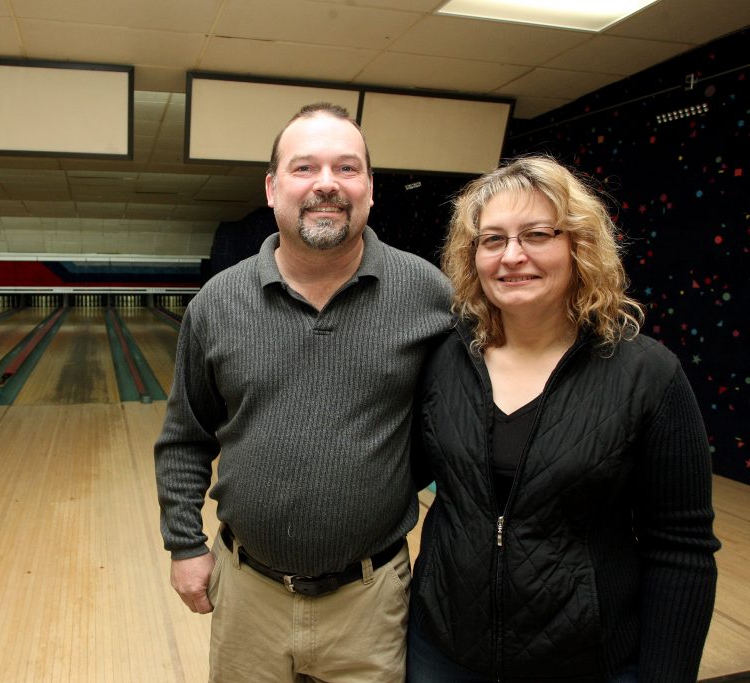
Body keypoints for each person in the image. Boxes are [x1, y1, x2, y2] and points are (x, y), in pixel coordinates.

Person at [154, 102, 452, 682]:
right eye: (304, 168)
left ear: (369, 188)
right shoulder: (217, 303)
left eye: (346, 168)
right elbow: (184, 438)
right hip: (248, 594)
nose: (326, 185)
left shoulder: (427, 294)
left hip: (370, 598)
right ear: (272, 188)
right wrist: (184, 543)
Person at [408, 155, 720, 682]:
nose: (513, 256)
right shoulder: (443, 362)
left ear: (579, 245)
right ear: (472, 257)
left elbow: (682, 549)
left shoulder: (647, 374)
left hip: (586, 660)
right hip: (442, 652)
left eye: (536, 234)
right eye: (492, 240)